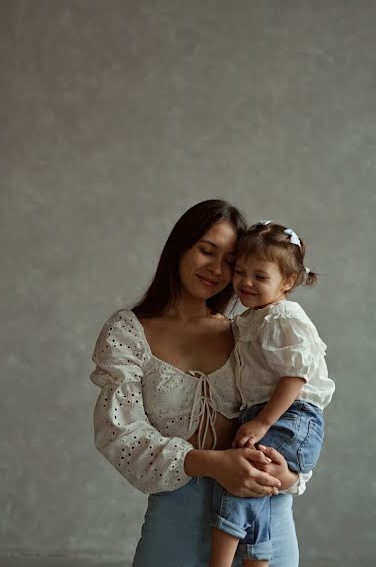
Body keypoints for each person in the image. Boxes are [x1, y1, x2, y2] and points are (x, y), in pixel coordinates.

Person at [90, 200, 307, 567]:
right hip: (176, 524)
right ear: (180, 246)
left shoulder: (249, 333)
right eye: (207, 250)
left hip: (264, 522)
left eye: (231, 261)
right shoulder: (128, 332)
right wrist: (212, 463)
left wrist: (289, 476)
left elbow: (301, 408)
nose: (217, 270)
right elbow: (119, 434)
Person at [210, 221, 335, 567]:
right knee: (256, 489)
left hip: (293, 416)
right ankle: (258, 559)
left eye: (260, 277)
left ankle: (219, 562)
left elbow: (296, 375)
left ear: (288, 282)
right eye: (240, 272)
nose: (245, 283)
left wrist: (265, 421)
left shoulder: (284, 316)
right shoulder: (254, 317)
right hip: (274, 414)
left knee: (239, 474)